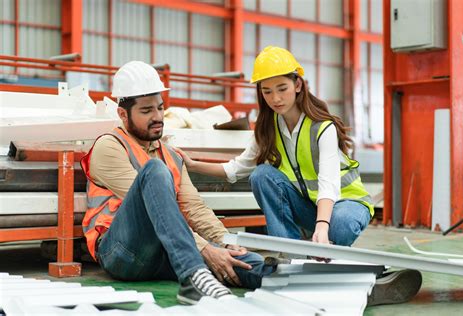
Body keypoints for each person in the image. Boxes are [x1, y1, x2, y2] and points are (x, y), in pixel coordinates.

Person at [177, 46, 422, 306]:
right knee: (261, 174)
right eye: (267, 91)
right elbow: (236, 169)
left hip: (346, 208)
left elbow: (328, 185)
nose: (275, 98)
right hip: (312, 209)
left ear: (298, 85)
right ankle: (292, 257)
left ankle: (324, 268)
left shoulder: (322, 127)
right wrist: (192, 164)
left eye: (281, 88)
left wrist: (322, 228)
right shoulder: (268, 127)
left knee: (338, 224)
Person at [80, 61, 274, 305]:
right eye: (146, 111)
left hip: (165, 251)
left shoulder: (171, 154)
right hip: (121, 252)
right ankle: (194, 275)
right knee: (154, 171)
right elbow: (155, 209)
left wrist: (226, 243)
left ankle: (292, 280)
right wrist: (205, 250)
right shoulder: (109, 146)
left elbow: (194, 208)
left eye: (160, 108)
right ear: (123, 114)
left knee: (243, 262)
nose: (158, 117)